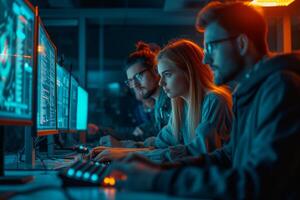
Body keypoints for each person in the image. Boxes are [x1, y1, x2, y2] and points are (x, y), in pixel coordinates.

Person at [102, 2, 300, 199]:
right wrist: (157, 169)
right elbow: (227, 156)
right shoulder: (249, 92)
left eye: (211, 47)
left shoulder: (280, 87)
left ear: (241, 44)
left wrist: (158, 179)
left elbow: (260, 183)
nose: (205, 60)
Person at [94, 39, 232, 162]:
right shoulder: (182, 107)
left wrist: (126, 155)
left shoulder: (214, 101)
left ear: (189, 71)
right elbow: (159, 144)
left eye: (167, 74)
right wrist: (121, 150)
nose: (161, 83)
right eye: (160, 75)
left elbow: (196, 152)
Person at [98, 41, 171, 148]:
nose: (135, 85)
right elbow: (144, 134)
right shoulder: (159, 107)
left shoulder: (171, 101)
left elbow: (170, 145)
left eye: (138, 76)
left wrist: (123, 146)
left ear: (156, 71)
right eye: (131, 81)